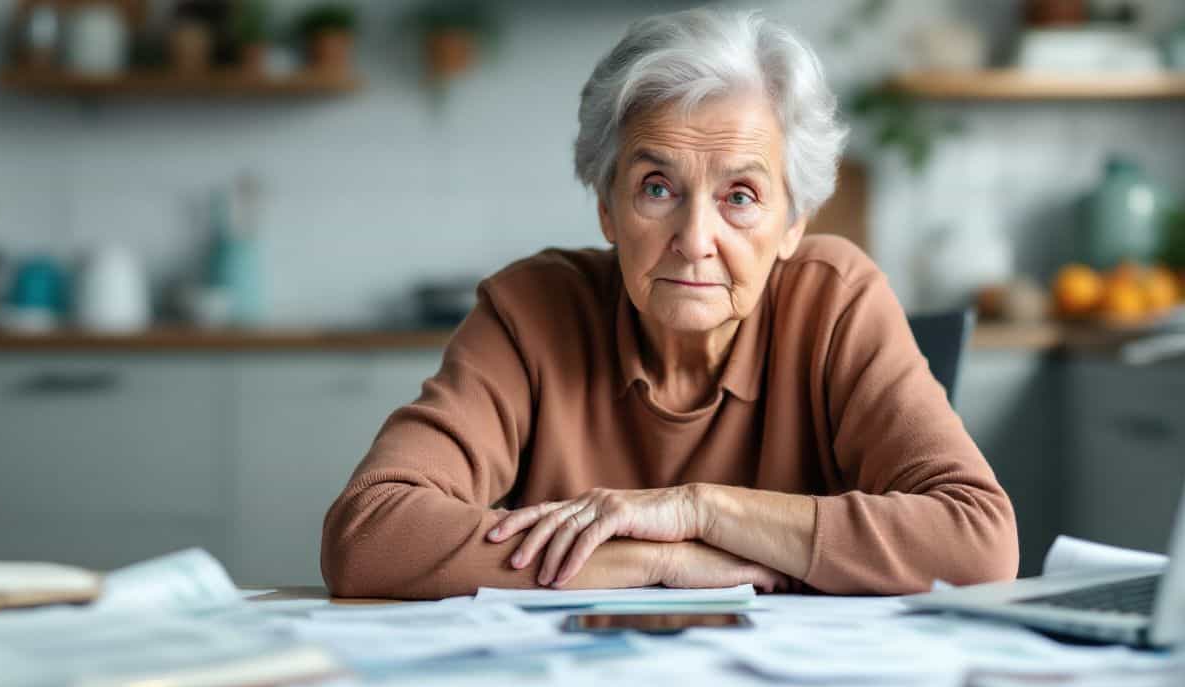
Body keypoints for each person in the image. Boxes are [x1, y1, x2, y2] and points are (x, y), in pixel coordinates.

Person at [321, 8, 1018, 599]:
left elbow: (978, 542)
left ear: (794, 224)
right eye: (657, 187)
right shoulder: (531, 310)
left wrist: (698, 510)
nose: (694, 240)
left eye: (740, 197)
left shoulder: (835, 299)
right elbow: (370, 534)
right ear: (607, 209)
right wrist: (659, 560)